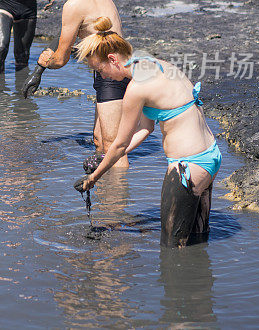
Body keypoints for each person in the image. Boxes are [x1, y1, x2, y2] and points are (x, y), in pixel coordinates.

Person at [74, 17, 222, 247]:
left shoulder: (136, 89)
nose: (101, 76)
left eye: (99, 69)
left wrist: (94, 177)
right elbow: (146, 128)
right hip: (209, 155)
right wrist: (107, 159)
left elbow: (120, 145)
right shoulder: (152, 64)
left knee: (172, 251)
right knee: (198, 239)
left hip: (187, 168)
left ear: (112, 59)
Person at [20, 0, 129, 164]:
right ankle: (105, 193)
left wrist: (43, 63)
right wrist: (39, 72)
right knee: (99, 140)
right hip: (110, 72)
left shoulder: (73, 5)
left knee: (114, 149)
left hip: (113, 74)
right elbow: (64, 38)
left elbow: (60, 60)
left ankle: (118, 197)